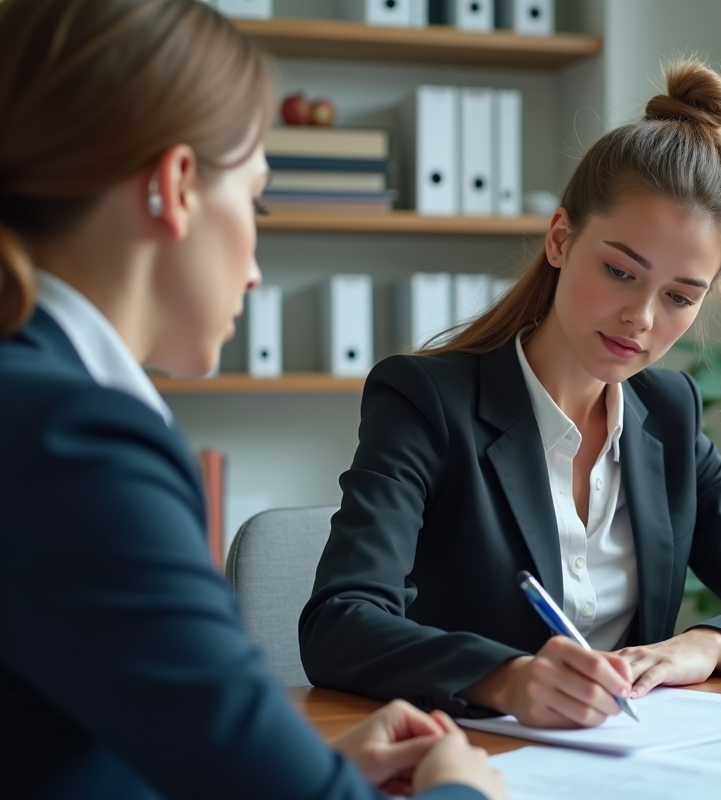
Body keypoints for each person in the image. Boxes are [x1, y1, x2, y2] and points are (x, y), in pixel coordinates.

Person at [0, 1, 507, 798]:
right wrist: (463, 788)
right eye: (257, 203)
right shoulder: (76, 443)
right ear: (174, 187)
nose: (256, 270)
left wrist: (320, 767)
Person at [299, 59, 721, 728]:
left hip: (631, 763)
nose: (643, 319)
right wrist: (507, 679)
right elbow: (339, 623)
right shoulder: (426, 401)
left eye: (680, 296)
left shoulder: (668, 417)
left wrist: (706, 645)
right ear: (561, 238)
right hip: (475, 760)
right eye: (620, 271)